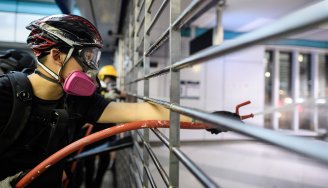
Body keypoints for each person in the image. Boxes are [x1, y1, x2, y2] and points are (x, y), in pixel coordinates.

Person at [0, 14, 197, 188]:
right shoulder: (5, 94)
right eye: (86, 57)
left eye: (94, 58)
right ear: (57, 55)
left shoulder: (77, 101)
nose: (91, 68)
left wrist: (210, 119)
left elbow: (139, 112)